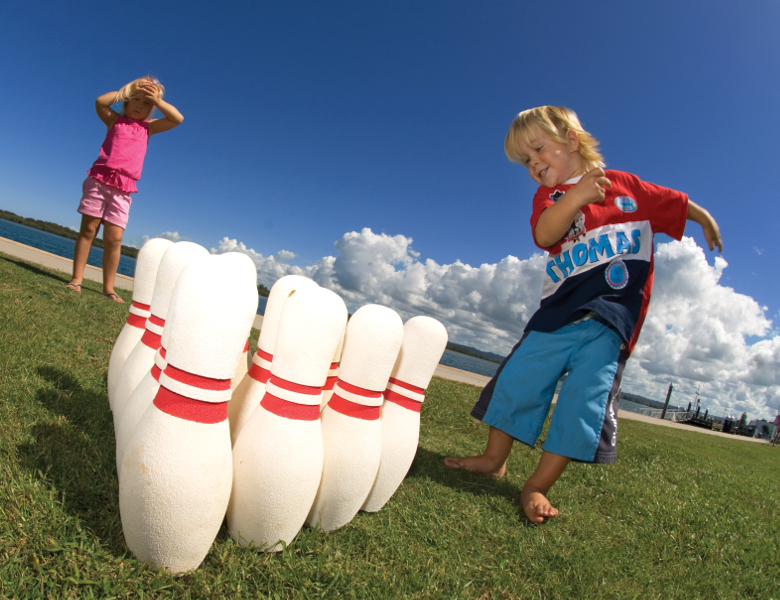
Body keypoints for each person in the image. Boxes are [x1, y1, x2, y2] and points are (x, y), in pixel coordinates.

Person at [444, 106, 722, 523]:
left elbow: (676, 203)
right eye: (526, 161)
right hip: (555, 315)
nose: (534, 164)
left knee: (583, 404)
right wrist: (575, 196)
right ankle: (493, 458)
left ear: (571, 140)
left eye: (538, 149)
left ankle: (537, 485)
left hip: (610, 321)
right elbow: (544, 234)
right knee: (519, 382)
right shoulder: (549, 197)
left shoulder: (628, 187)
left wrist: (706, 220)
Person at [66, 77, 183, 302]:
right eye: (135, 100)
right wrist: (129, 88)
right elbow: (101, 102)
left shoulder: (148, 128)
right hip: (99, 180)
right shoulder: (115, 120)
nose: (140, 105)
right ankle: (76, 279)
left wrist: (156, 100)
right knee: (88, 230)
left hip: (124, 188)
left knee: (114, 238)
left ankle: (108, 288)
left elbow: (177, 118)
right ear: (127, 101)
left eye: (146, 103)